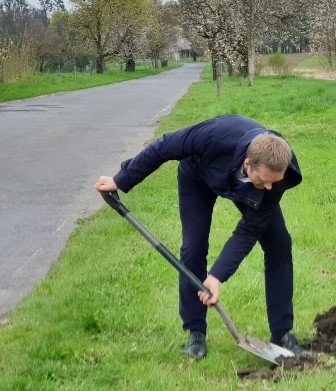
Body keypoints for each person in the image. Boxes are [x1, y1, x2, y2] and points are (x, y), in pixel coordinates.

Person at [94, 114, 305, 359]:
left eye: (274, 182)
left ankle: (282, 334)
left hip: (245, 186)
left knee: (279, 244)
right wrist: (121, 179)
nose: (271, 188)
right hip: (197, 175)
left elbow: (249, 230)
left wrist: (216, 276)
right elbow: (164, 147)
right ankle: (195, 333)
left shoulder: (277, 174)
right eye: (266, 181)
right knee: (193, 248)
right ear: (248, 165)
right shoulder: (213, 136)